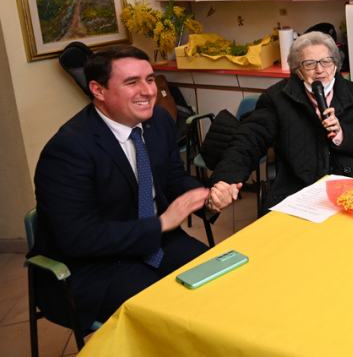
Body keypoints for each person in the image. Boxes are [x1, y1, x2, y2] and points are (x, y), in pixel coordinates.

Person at [30, 46, 240, 330]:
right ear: (98, 90)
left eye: (150, 79)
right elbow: (77, 238)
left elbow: (174, 178)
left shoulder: (159, 121)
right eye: (132, 82)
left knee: (222, 284)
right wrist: (162, 223)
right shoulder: (68, 150)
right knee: (168, 315)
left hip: (156, 242)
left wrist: (209, 198)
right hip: (95, 265)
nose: (148, 91)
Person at [210, 31, 353, 209]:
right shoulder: (276, 99)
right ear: (297, 71)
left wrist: (343, 134)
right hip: (303, 189)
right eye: (309, 64)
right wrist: (226, 180)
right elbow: (248, 141)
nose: (320, 70)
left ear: (336, 65)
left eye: (326, 61)